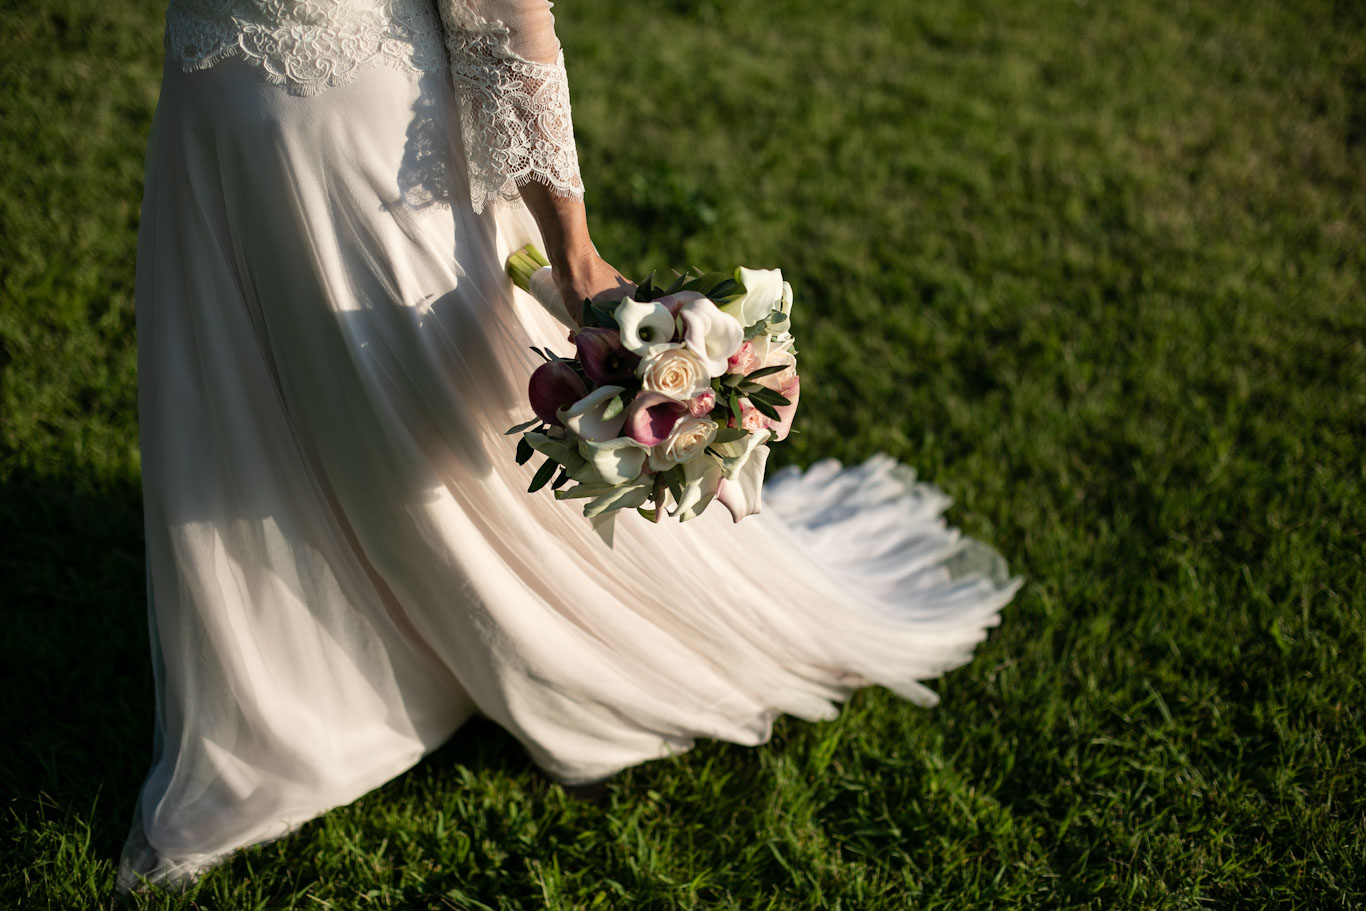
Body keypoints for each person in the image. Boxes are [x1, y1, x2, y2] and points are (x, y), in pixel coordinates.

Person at [119, 0, 1022, 892]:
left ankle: (545, 653)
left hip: (365, 163)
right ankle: (331, 663)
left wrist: (577, 258)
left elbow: (506, 15)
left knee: (443, 460)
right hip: (213, 132)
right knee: (271, 423)